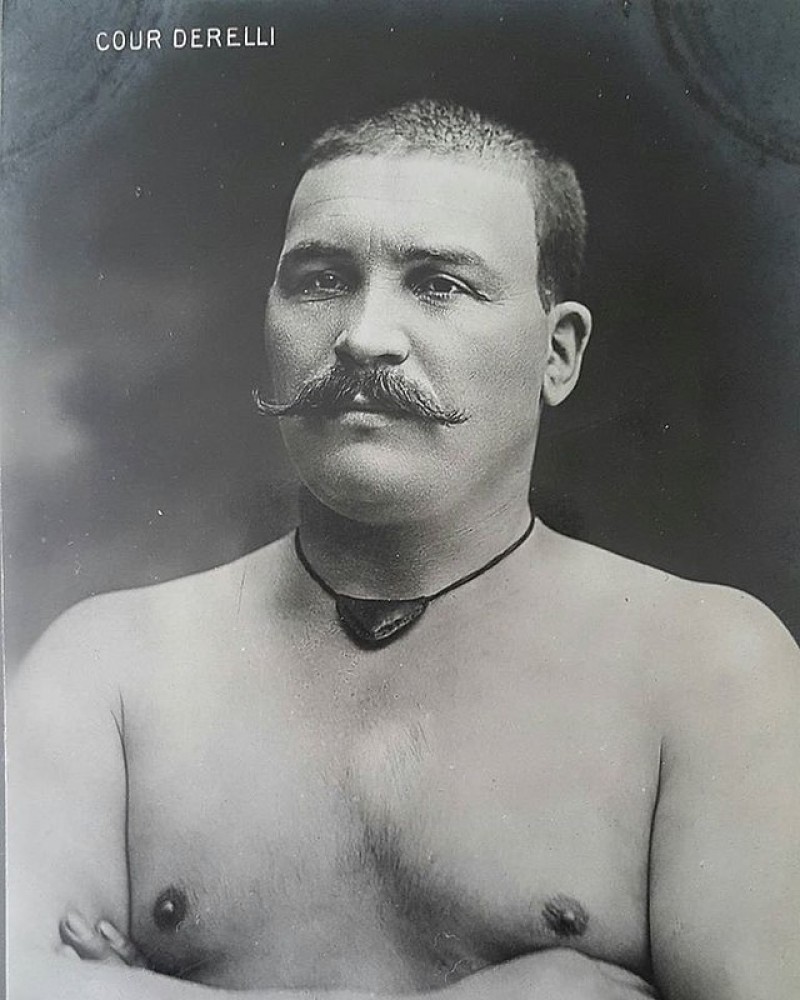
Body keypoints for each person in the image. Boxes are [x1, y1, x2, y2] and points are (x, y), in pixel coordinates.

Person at [8, 100, 799, 1000]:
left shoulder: (711, 667)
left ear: (558, 354)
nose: (363, 336)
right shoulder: (106, 668)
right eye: (320, 280)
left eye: (440, 284)